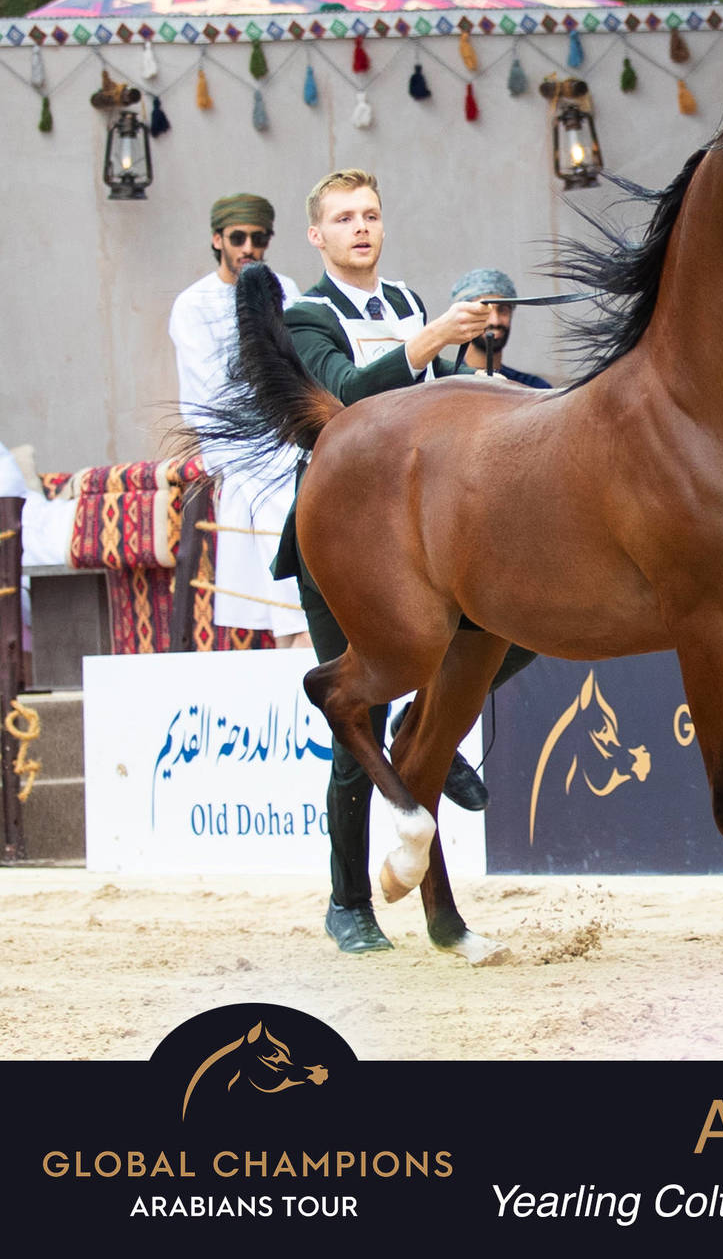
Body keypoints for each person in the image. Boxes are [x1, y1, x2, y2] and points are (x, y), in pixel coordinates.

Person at [272, 168, 533, 954]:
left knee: (519, 630)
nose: (361, 227)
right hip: (345, 540)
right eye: (345, 218)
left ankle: (437, 729)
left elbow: (446, 395)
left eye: (372, 215)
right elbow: (347, 398)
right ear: (317, 236)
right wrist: (428, 342)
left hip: (424, 534)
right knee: (363, 711)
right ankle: (349, 901)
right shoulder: (306, 317)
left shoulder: (409, 303)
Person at [169, 193, 309, 647]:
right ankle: (300, 624)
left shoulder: (284, 288)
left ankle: (303, 631)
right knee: (276, 491)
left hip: (287, 426)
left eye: (259, 238)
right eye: (238, 237)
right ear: (218, 239)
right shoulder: (192, 305)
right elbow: (211, 394)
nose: (249, 247)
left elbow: (299, 365)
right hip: (233, 438)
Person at [448, 267, 553, 388]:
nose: (495, 321)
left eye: (503, 310)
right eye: (484, 310)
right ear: (464, 317)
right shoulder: (442, 386)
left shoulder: (533, 388)